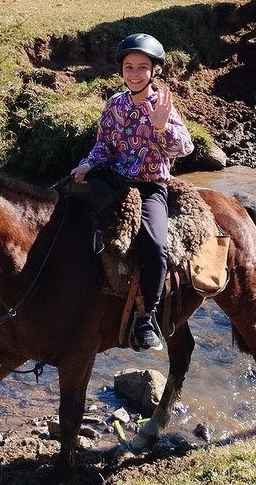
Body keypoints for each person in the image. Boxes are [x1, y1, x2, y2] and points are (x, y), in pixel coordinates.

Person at [71, 33, 194, 352]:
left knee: (154, 245)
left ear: (155, 70)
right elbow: (104, 146)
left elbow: (184, 148)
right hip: (114, 181)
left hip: (151, 185)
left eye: (142, 67)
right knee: (69, 218)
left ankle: (146, 317)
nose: (135, 73)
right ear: (122, 70)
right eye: (129, 67)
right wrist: (86, 164)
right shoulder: (114, 104)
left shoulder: (163, 104)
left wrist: (161, 127)